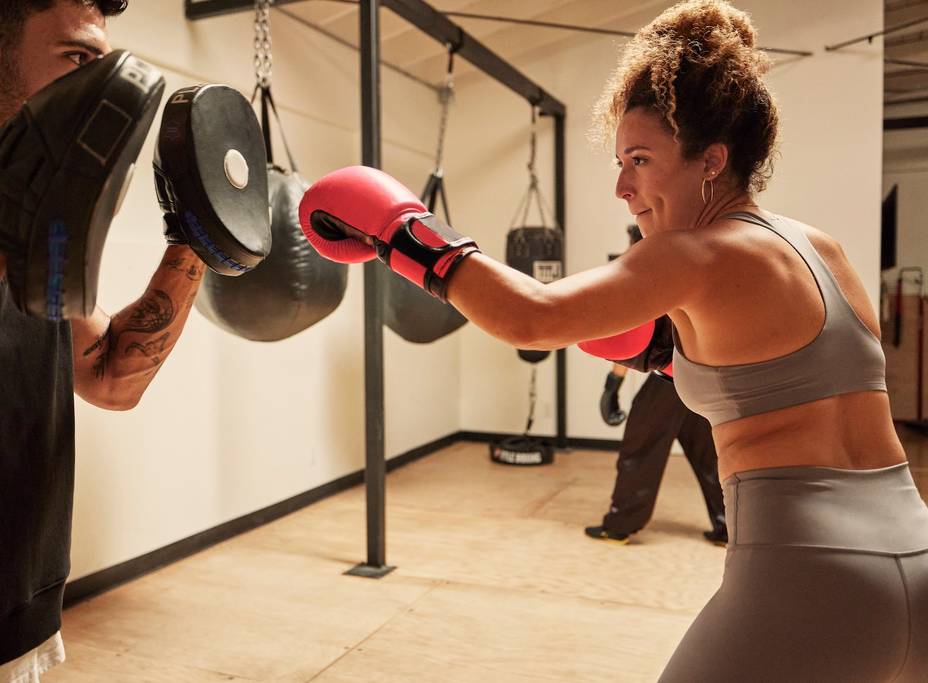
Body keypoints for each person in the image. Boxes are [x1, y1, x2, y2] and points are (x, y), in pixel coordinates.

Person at [299, 1, 928, 679]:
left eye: (640, 158)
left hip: (810, 576)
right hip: (917, 558)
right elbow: (785, 376)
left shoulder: (693, 254)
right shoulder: (819, 248)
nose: (623, 185)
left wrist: (403, 233)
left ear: (711, 160)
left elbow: (531, 315)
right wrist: (667, 352)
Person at [0, 2, 204, 680]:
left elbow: (106, 374)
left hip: (19, 623)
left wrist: (196, 242)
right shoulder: (17, 207)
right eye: (77, 61)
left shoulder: (34, 208)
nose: (100, 94)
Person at [589, 224, 726, 546]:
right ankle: (728, 527)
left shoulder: (647, 279)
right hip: (702, 377)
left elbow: (631, 337)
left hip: (670, 381)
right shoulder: (691, 269)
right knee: (709, 455)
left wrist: (613, 384)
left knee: (641, 448)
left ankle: (620, 525)